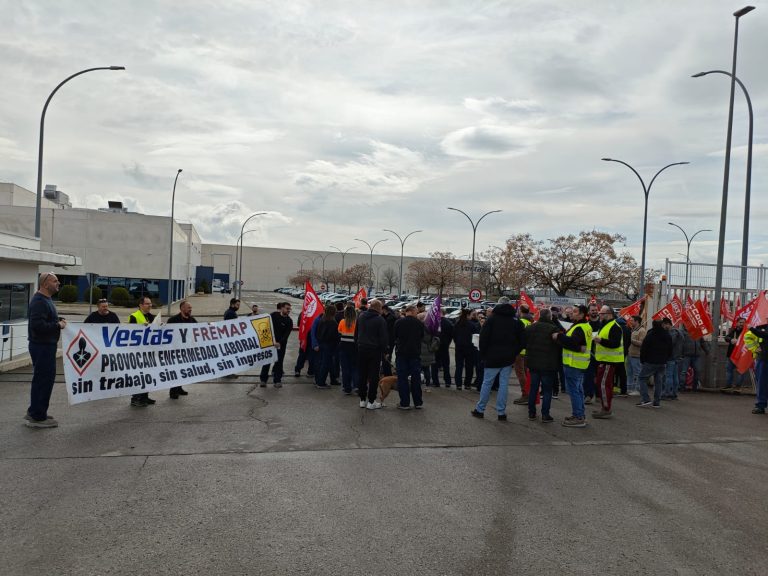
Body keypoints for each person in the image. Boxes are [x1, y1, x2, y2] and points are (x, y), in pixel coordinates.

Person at [471, 297, 525, 421]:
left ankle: (480, 409)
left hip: (492, 356)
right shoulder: (516, 320)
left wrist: (483, 354)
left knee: (487, 383)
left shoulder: (492, 319)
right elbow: (523, 340)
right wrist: (514, 352)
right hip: (508, 357)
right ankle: (501, 412)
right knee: (504, 384)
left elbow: (483, 338)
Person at [24, 272, 67, 428]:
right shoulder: (39, 302)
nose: (58, 283)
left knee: (43, 380)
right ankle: (37, 417)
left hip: (45, 346)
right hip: (42, 346)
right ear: (45, 283)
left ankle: (37, 411)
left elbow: (45, 320)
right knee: (43, 380)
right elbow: (38, 326)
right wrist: (58, 325)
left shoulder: (45, 300)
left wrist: (57, 320)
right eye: (55, 281)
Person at [553, 304, 591, 428]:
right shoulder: (584, 326)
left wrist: (559, 336)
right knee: (578, 389)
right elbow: (579, 345)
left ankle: (578, 416)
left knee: (574, 391)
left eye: (575, 312)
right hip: (579, 363)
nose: (572, 313)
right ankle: (580, 414)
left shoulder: (579, 327)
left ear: (581, 315)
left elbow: (573, 343)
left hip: (573, 363)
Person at [525, 308, 560, 423]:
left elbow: (524, 342)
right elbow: (559, 345)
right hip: (548, 364)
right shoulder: (553, 329)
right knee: (547, 390)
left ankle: (531, 413)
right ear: (550, 317)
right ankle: (545, 414)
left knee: (533, 389)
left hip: (533, 363)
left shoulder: (530, 328)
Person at [591, 305, 624, 419]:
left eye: (602, 313)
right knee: (604, 385)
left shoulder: (614, 326)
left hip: (609, 361)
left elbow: (615, 344)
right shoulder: (605, 325)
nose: (600, 315)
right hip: (604, 360)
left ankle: (606, 409)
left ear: (609, 314)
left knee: (603, 385)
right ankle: (604, 407)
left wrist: (600, 340)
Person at [355, 299, 388, 410]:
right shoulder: (380, 320)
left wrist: (358, 344)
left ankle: (362, 400)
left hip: (361, 348)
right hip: (375, 350)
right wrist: (384, 351)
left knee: (362, 375)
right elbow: (383, 338)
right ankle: (371, 401)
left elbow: (356, 333)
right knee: (373, 376)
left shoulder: (361, 316)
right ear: (378, 308)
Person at [394, 304, 425, 409]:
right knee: (416, 379)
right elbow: (422, 336)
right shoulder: (419, 324)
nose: (417, 313)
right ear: (411, 311)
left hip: (402, 354)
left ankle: (405, 403)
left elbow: (395, 336)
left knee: (402, 379)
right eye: (416, 312)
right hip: (415, 354)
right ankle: (418, 402)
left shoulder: (399, 322)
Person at [636, 319, 672, 408]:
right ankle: (657, 402)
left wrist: (642, 359)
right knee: (658, 381)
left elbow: (644, 348)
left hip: (650, 361)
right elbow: (670, 349)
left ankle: (645, 398)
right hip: (662, 362)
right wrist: (666, 358)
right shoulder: (667, 335)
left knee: (642, 378)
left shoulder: (650, 334)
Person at [129, 296, 156, 407]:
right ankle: (135, 398)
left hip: (148, 351)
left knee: (147, 375)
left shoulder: (152, 317)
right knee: (138, 376)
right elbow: (130, 333)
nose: (150, 306)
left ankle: (144, 396)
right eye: (147, 304)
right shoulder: (134, 316)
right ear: (140, 305)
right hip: (137, 351)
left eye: (150, 304)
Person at [165, 300, 196, 398]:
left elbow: (198, 331)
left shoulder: (192, 320)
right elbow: (167, 335)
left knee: (183, 370)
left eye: (191, 308)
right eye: (188, 308)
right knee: (175, 371)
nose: (190, 310)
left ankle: (179, 388)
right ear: (182, 308)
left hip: (186, 351)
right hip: (175, 350)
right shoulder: (173, 320)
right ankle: (173, 391)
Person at [260, 302, 293, 388]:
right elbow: (265, 326)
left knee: (279, 363)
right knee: (267, 362)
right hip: (270, 344)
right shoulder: (273, 315)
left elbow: (286, 334)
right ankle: (263, 380)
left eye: (289, 309)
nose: (288, 310)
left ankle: (277, 380)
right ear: (282, 308)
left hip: (280, 345)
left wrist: (279, 343)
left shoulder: (289, 321)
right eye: (287, 308)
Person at [313, 304, 339, 389]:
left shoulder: (321, 320)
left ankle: (319, 380)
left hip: (321, 344)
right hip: (328, 345)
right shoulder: (333, 322)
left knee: (321, 363)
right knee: (325, 364)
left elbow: (316, 332)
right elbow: (333, 336)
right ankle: (321, 382)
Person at [512, 304, 533, 405]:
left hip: (520, 352)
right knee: (525, 373)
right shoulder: (531, 322)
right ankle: (528, 393)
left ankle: (525, 395)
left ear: (520, 311)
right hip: (529, 351)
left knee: (520, 374)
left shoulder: (520, 322)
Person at [678, 325, 710, 392]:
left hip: (696, 355)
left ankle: (694, 388)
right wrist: (680, 354)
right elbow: (679, 344)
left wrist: (707, 351)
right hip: (686, 355)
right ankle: (682, 387)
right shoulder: (683, 333)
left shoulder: (697, 332)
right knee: (683, 372)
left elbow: (702, 342)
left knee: (697, 372)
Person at [337, 303, 359, 395]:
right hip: (354, 348)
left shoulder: (342, 321)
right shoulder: (357, 322)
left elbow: (339, 331)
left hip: (344, 347)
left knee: (345, 368)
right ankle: (356, 385)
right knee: (355, 368)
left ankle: (347, 387)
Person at [453, 309, 477, 391]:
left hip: (459, 347)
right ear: (467, 315)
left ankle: (458, 384)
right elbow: (475, 337)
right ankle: (467, 384)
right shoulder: (472, 325)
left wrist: (457, 343)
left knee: (459, 366)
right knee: (469, 367)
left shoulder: (457, 324)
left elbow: (454, 336)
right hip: (470, 348)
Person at [430, 308, 453, 388]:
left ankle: (436, 382)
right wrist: (447, 343)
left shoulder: (434, 323)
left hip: (435, 346)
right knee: (446, 365)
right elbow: (451, 335)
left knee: (434, 365)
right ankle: (448, 382)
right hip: (445, 346)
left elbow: (430, 334)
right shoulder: (449, 323)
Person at [747, 323, 767, 415]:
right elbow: (748, 337)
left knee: (762, 383)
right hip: (763, 359)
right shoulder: (763, 326)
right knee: (762, 383)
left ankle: (760, 405)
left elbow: (764, 334)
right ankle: (760, 405)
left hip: (764, 359)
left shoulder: (760, 330)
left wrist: (752, 328)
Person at [723, 317, 746, 392]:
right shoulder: (733, 330)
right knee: (729, 370)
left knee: (740, 371)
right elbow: (726, 337)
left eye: (743, 322)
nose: (741, 324)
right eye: (740, 322)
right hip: (731, 354)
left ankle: (738, 387)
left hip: (741, 355)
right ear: (737, 323)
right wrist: (731, 340)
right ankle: (728, 386)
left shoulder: (747, 331)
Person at [662, 318, 682, 400]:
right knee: (675, 376)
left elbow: (669, 344)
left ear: (668, 324)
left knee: (668, 376)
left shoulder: (672, 333)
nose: (663, 327)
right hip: (677, 357)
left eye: (663, 325)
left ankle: (667, 393)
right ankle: (674, 393)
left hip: (670, 357)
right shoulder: (679, 332)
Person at [627, 315, 646, 395]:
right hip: (630, 354)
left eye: (632, 320)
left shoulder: (642, 331)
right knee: (630, 372)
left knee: (637, 373)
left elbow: (642, 343)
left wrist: (631, 340)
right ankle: (629, 388)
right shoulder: (633, 329)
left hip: (637, 356)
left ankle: (637, 389)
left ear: (637, 321)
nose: (630, 322)